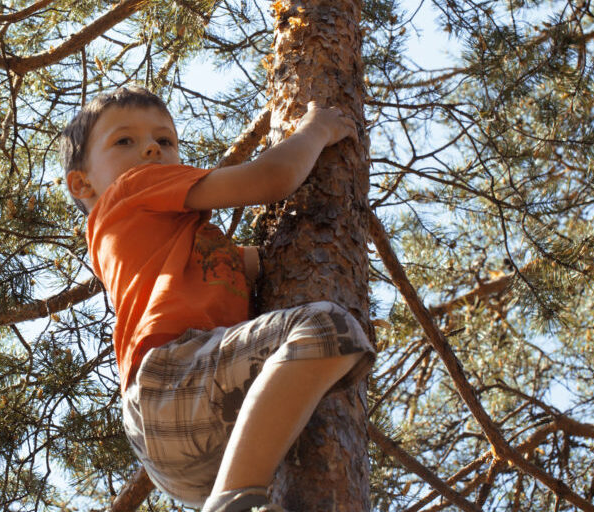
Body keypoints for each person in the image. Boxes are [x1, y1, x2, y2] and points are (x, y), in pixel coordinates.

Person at [59, 86, 375, 512]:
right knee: (326, 328)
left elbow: (252, 264)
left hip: (186, 446)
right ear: (82, 184)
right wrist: (315, 130)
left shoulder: (158, 237)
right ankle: (231, 501)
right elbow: (272, 179)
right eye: (124, 141)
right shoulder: (132, 188)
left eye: (165, 140)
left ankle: (237, 495)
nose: (151, 149)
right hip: (171, 376)